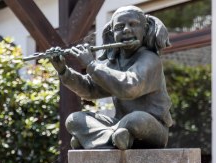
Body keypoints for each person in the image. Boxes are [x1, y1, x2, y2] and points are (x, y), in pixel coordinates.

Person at [47, 5, 172, 150]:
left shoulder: (150, 59)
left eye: (133, 24)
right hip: (121, 128)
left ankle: (95, 140)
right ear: (112, 33)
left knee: (136, 119)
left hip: (149, 128)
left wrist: (92, 65)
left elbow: (130, 87)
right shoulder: (113, 62)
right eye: (119, 26)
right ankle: (115, 139)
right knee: (74, 120)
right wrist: (63, 71)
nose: (126, 29)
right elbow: (90, 89)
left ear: (144, 29)